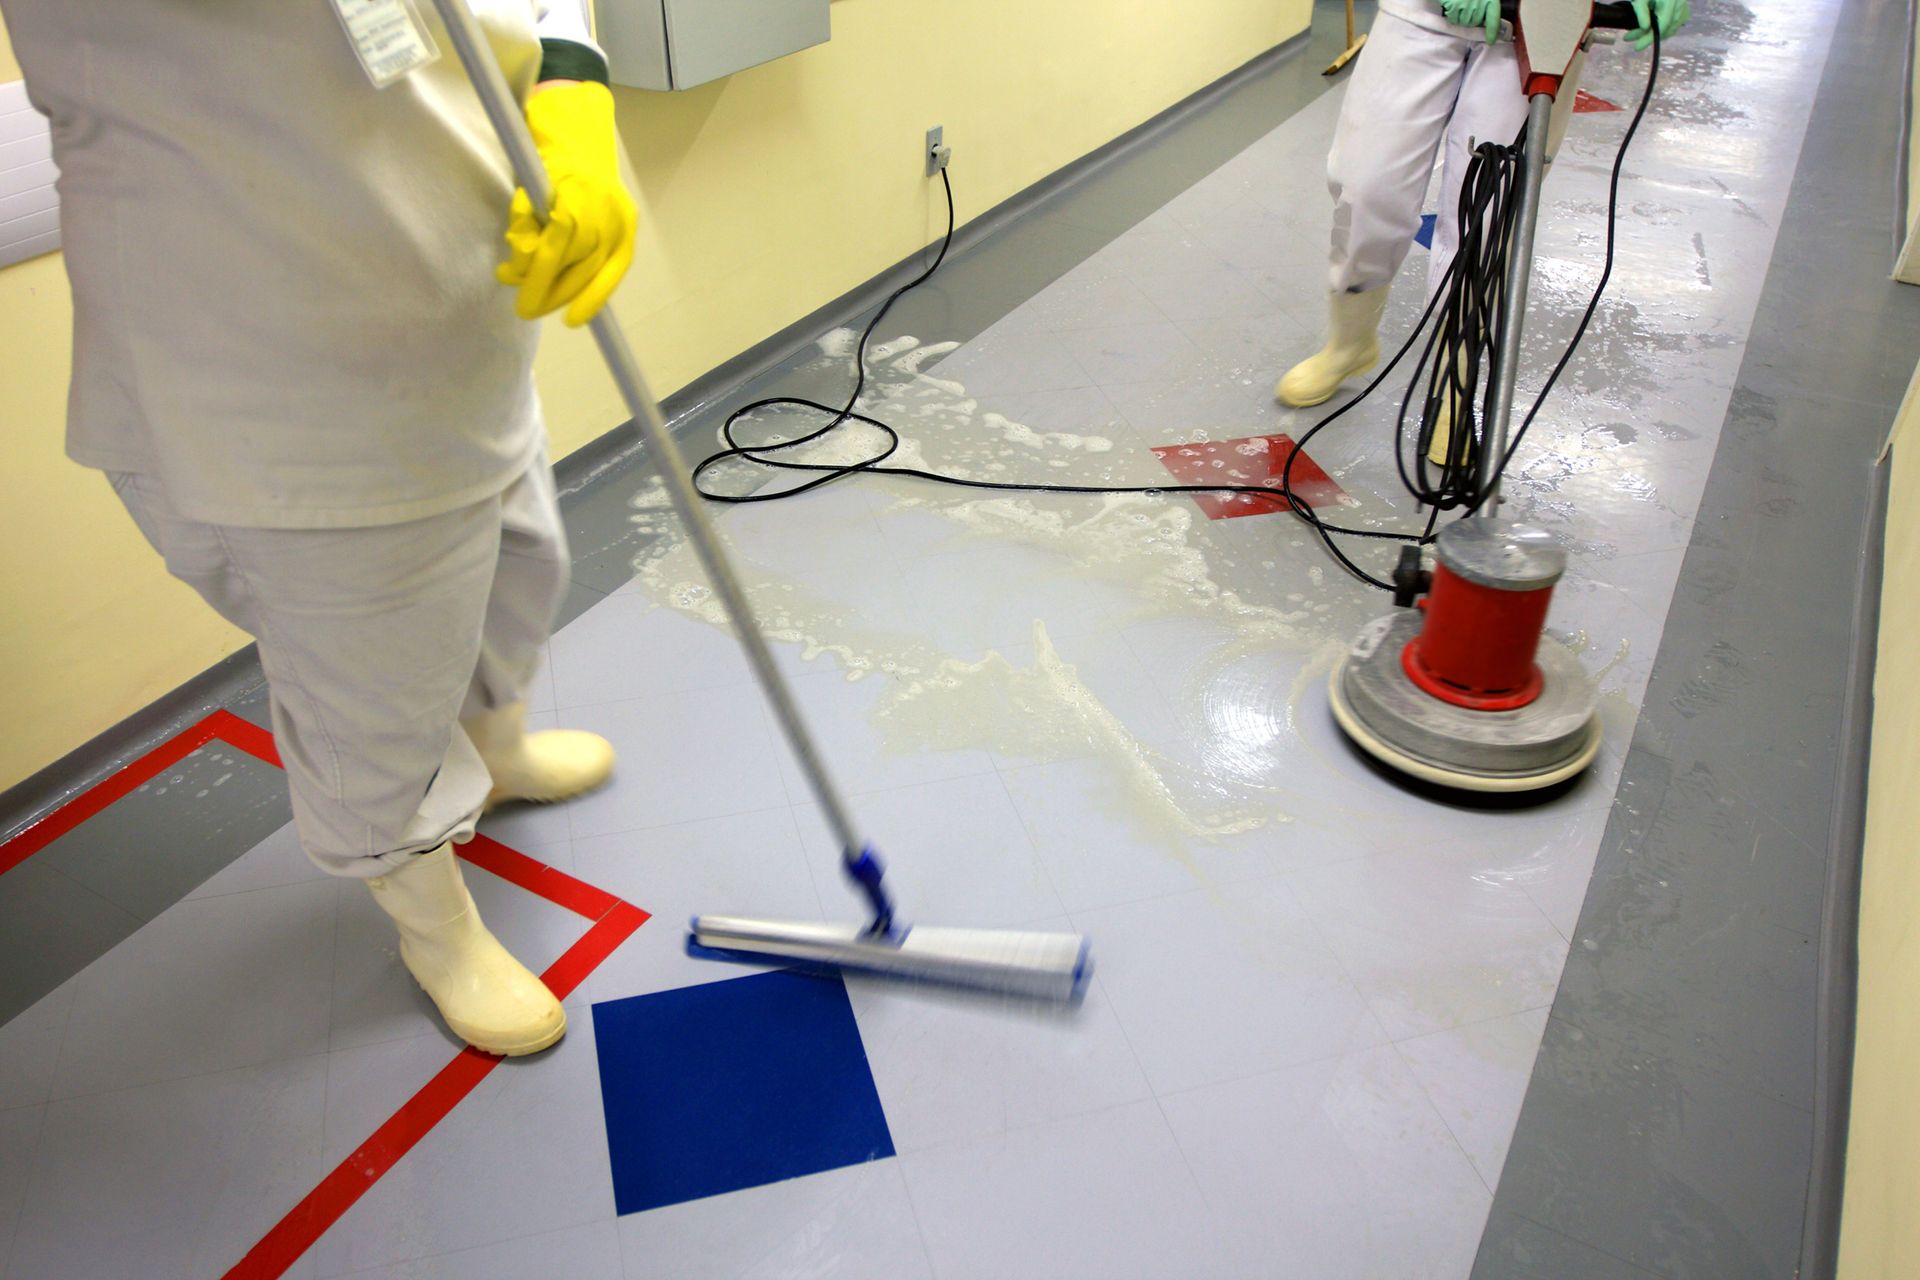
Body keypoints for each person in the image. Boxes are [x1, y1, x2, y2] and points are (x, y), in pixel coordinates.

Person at [2, 0, 639, 1057]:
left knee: (518, 568)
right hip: (279, 384)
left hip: (465, 320)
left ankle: (499, 745)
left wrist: (571, 82)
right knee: (374, 700)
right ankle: (434, 923)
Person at [1275, 0, 1688, 416]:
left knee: (1487, 214)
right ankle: (1351, 343)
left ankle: (1453, 377)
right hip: (1420, 13)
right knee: (1365, 188)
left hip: (1540, 20)